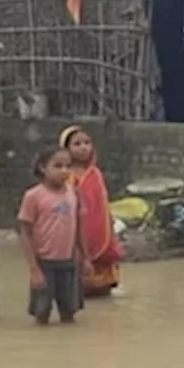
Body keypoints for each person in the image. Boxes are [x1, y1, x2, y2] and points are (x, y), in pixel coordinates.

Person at [18, 147, 91, 325]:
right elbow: (25, 232)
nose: (65, 171)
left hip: (69, 261)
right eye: (58, 166)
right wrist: (34, 269)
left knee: (69, 312)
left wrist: (86, 258)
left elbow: (79, 227)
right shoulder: (33, 196)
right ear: (43, 168)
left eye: (68, 166)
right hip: (44, 262)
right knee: (41, 313)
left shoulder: (74, 193)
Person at [59, 125, 125, 297]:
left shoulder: (95, 174)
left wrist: (111, 232)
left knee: (104, 292)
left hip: (101, 236)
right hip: (73, 236)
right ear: (66, 149)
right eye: (77, 144)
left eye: (87, 142)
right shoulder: (64, 177)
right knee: (75, 291)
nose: (83, 147)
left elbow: (103, 206)